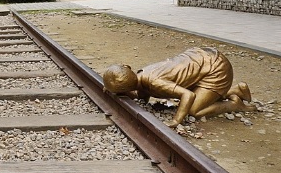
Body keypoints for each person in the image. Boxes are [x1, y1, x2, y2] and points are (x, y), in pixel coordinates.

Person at [102, 47, 256, 128]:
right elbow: (141, 97)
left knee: (194, 111)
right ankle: (235, 90)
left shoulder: (155, 83)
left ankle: (236, 105)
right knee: (199, 95)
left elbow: (188, 95)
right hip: (200, 60)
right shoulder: (141, 74)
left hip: (215, 68)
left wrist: (176, 120)